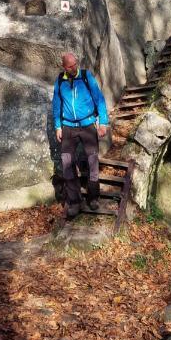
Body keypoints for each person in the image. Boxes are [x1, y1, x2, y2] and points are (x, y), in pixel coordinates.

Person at [52, 51, 109, 218]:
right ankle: (75, 202)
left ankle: (93, 197)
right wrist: (57, 126)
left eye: (75, 64)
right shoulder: (59, 81)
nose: (74, 67)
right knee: (67, 164)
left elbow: (99, 98)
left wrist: (103, 122)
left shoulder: (85, 76)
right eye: (70, 66)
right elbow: (56, 104)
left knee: (92, 162)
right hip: (68, 127)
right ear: (64, 67)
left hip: (87, 125)